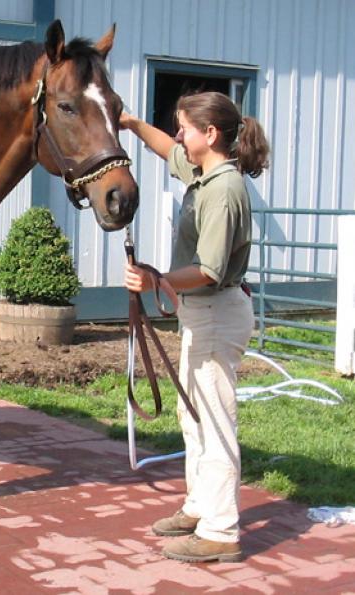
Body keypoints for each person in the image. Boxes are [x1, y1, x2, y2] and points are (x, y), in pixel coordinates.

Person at [120, 92, 270, 563]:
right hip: (200, 314)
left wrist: (155, 280)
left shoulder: (224, 191)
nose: (180, 135)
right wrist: (128, 122)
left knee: (216, 420)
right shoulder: (205, 175)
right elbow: (166, 148)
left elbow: (208, 268)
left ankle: (221, 531)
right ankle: (200, 507)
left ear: (211, 134)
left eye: (186, 127)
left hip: (215, 312)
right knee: (194, 415)